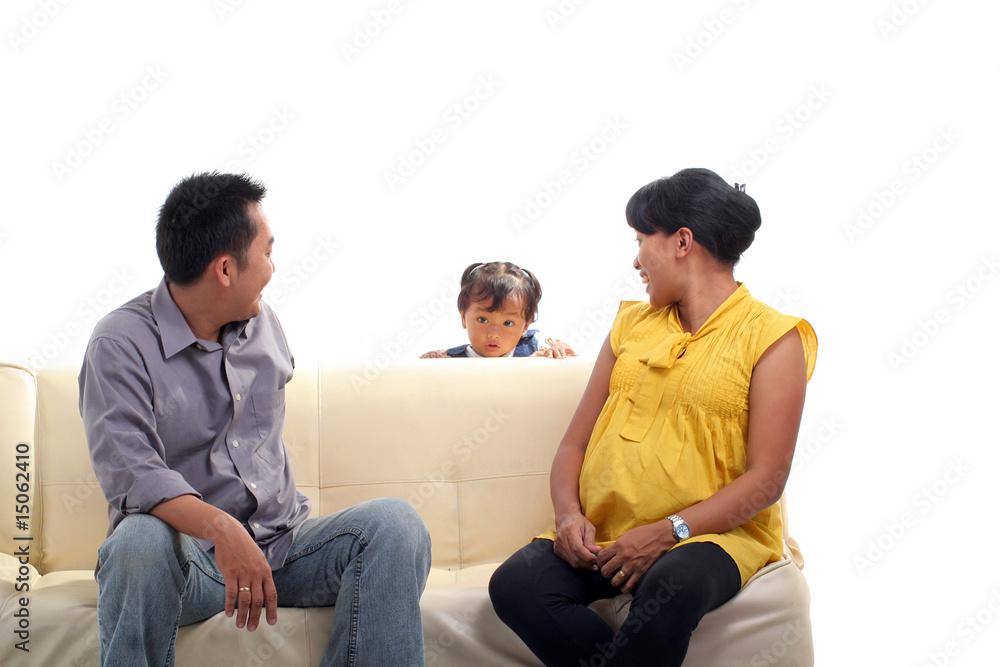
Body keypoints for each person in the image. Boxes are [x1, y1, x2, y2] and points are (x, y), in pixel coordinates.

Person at [78, 172, 431, 667]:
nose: (273, 267)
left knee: (396, 524)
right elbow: (132, 473)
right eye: (267, 251)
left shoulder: (262, 321)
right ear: (225, 269)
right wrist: (224, 531)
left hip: (285, 549)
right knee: (137, 541)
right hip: (190, 562)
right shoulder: (119, 343)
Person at [488, 168, 818, 666]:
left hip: (710, 538)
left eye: (641, 240)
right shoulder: (630, 324)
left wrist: (670, 531)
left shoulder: (775, 338)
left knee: (672, 586)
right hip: (606, 533)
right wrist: (569, 516)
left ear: (682, 242)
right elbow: (574, 444)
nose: (636, 259)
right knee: (516, 585)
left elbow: (767, 478)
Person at [419, 261, 576, 359]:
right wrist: (431, 363)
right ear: (464, 318)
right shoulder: (449, 359)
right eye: (483, 320)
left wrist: (558, 352)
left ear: (525, 326)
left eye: (508, 323)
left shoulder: (536, 346)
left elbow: (570, 358)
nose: (494, 333)